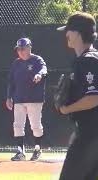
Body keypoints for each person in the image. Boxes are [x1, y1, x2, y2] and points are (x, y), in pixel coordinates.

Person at [57, 12, 98, 180]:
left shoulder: (86, 61)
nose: (66, 34)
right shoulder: (92, 58)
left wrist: (67, 108)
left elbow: (94, 97)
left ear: (78, 33)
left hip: (89, 135)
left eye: (69, 30)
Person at [6, 37, 47, 161]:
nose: (20, 51)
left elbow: (44, 69)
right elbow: (11, 81)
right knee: (17, 125)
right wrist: (9, 97)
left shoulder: (37, 60)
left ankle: (37, 149)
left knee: (35, 125)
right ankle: (20, 152)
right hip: (18, 99)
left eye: (23, 48)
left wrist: (40, 74)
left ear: (29, 47)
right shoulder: (16, 63)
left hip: (34, 99)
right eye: (18, 49)